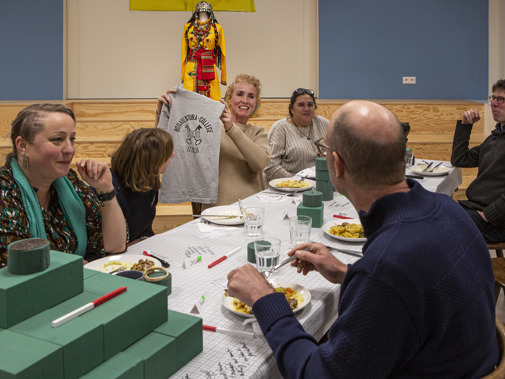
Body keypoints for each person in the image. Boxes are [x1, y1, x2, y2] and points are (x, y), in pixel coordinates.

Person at [227, 100, 498, 378]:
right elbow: (417, 290)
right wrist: (348, 273)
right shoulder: (447, 207)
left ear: (336, 164)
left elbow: (318, 374)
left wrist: (265, 299)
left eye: (324, 149)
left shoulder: (387, 267)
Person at [0, 104, 127, 267]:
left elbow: (115, 245)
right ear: (23, 145)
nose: (70, 149)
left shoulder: (70, 183)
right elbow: (16, 267)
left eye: (72, 139)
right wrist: (71, 267)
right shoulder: (5, 191)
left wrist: (105, 189)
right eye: (57, 139)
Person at [156, 73, 270, 212]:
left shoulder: (258, 132)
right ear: (229, 98)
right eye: (240, 94)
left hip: (252, 210)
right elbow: (164, 149)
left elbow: (259, 163)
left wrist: (231, 128)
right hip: (216, 211)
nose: (245, 100)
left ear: (256, 103)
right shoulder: (209, 128)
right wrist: (163, 114)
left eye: (251, 96)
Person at [451, 78, 505, 243]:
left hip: (496, 221)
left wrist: (487, 216)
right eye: (493, 98)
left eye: (501, 99)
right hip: (476, 208)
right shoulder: (494, 138)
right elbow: (460, 159)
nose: (494, 103)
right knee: (433, 210)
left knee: (442, 226)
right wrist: (466, 126)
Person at [110, 128, 174, 244]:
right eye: (167, 153)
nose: (172, 155)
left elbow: (145, 229)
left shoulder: (150, 181)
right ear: (152, 160)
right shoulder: (109, 189)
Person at [264, 88, 328, 180]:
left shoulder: (323, 123)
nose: (306, 109)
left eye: (310, 105)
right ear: (292, 109)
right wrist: (295, 182)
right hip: (286, 188)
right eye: (301, 105)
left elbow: (337, 150)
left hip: (317, 184)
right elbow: (270, 165)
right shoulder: (280, 128)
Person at [181, 1, 226, 101]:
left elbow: (223, 52)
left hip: (209, 66)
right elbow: (184, 52)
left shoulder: (217, 28)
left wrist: (224, 76)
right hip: (191, 67)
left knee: (212, 97)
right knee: (189, 97)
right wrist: (183, 73)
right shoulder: (187, 27)